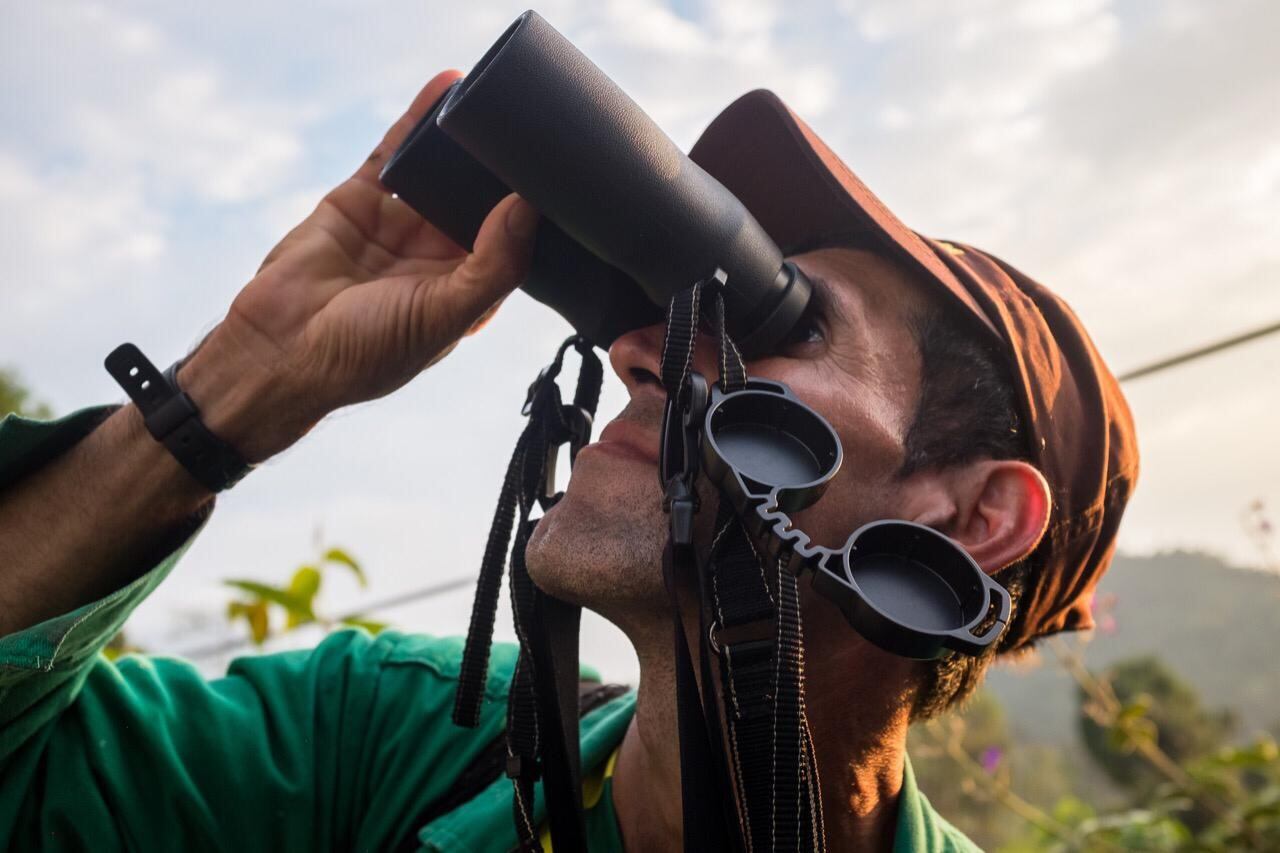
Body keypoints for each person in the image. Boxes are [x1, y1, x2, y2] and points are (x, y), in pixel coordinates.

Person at [0, 70, 1137, 852]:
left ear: (976, 513)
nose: (643, 344)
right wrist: (245, 381)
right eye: (678, 302)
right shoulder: (393, 739)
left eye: (784, 322)